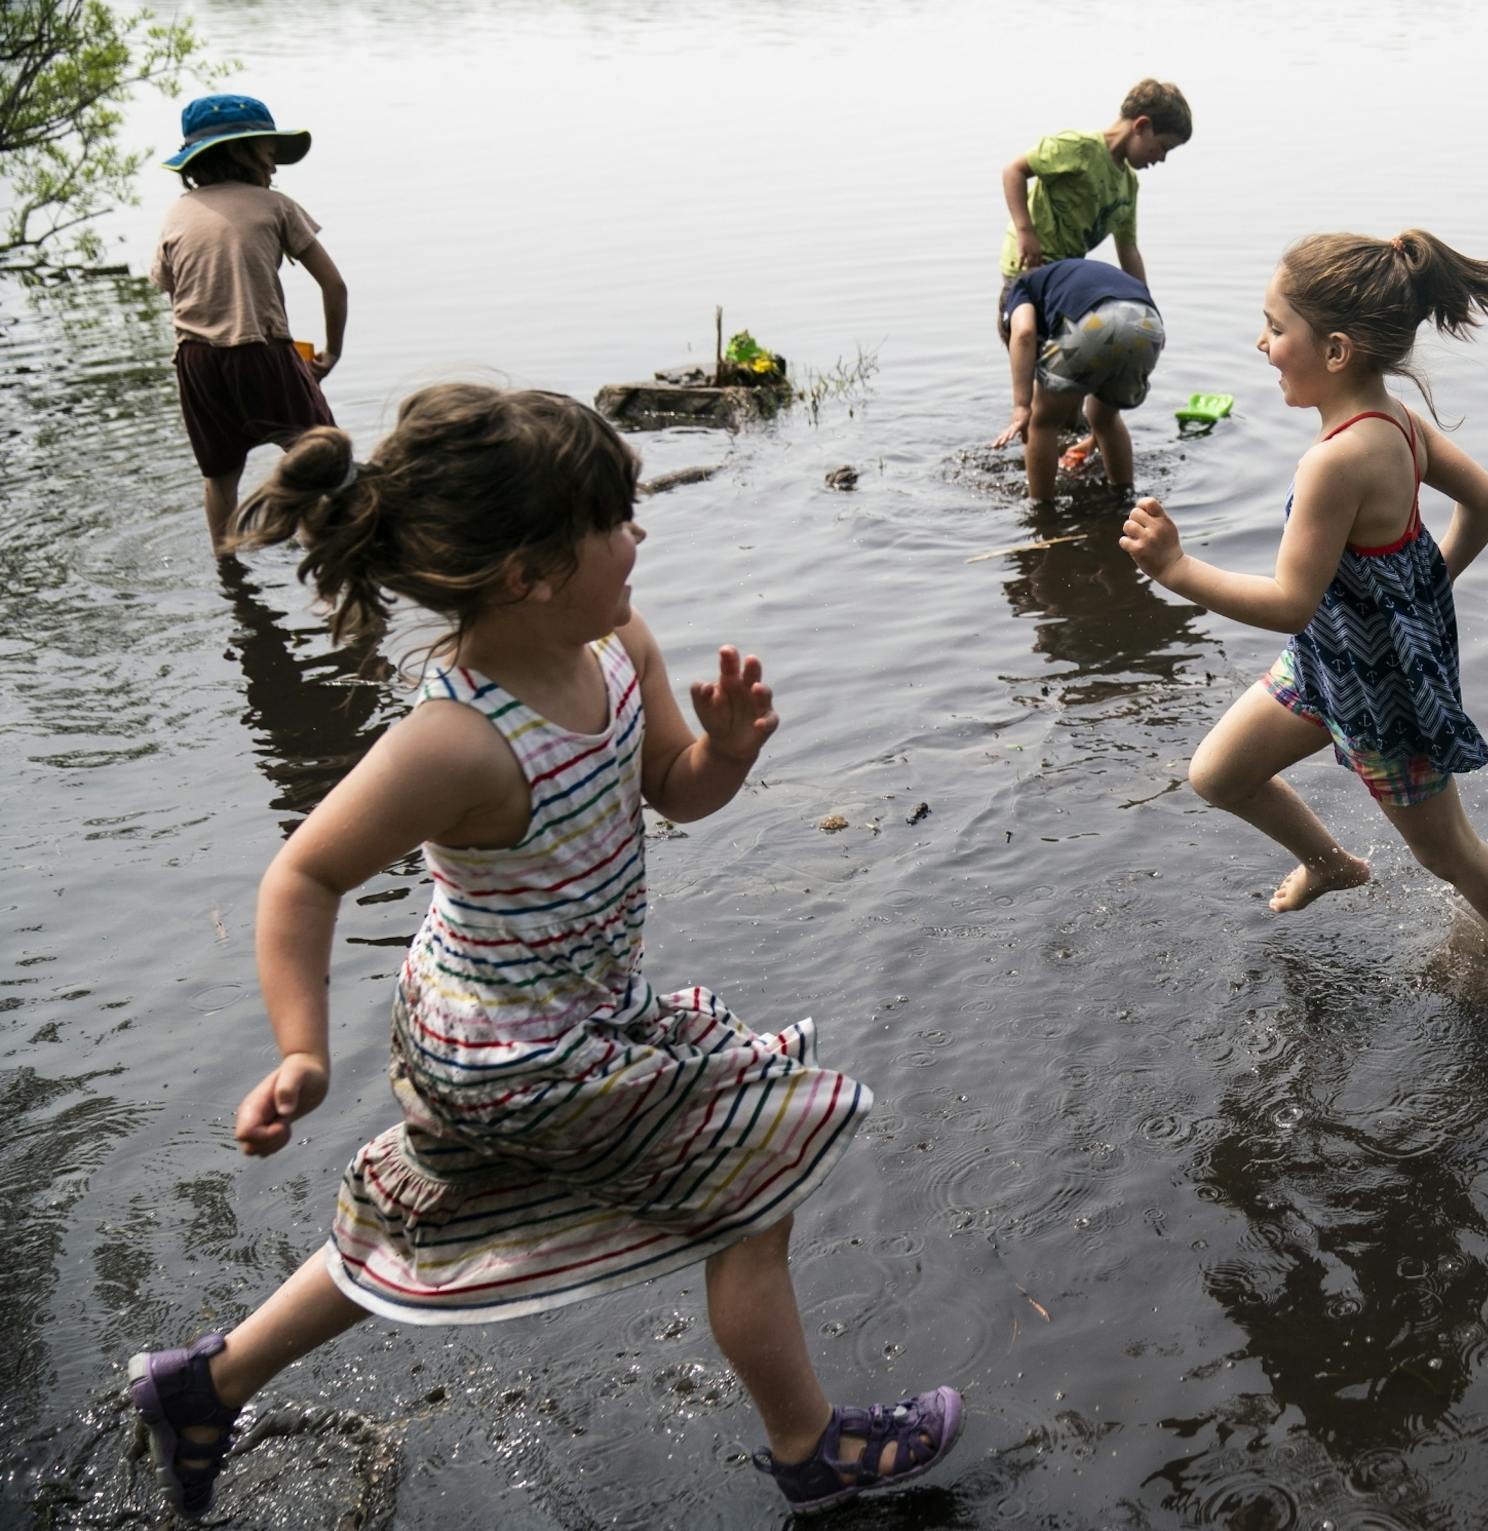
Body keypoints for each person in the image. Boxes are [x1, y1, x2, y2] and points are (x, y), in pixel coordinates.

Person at [124, 385, 963, 1520]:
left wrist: (722, 754)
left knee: (427, 1217)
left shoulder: (618, 641)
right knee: (760, 1167)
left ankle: (204, 1385)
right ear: (526, 572)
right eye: (613, 517)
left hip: (556, 1015)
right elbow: (303, 874)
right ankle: (809, 1446)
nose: (640, 532)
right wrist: (300, 1052)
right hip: (511, 1051)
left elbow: (671, 787)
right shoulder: (455, 740)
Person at [1118, 230, 1488, 979]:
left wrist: (1176, 569)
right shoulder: (1394, 420)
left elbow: (1288, 602)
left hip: (1383, 695)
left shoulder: (1335, 461)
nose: (1260, 343)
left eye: (1275, 328)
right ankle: (1331, 863)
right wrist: (1432, 584)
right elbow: (1486, 501)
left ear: (1335, 350)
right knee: (1217, 774)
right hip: (1325, 665)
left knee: (1448, 852)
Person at [149, 94, 348, 548]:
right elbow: (335, 286)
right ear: (239, 151)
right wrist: (332, 351)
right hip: (261, 350)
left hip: (195, 360)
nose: (274, 165)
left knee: (220, 476)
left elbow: (171, 289)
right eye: (267, 150)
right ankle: (330, 553)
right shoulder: (275, 205)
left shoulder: (176, 213)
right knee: (323, 457)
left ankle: (229, 570)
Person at [996, 78, 1190, 348]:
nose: (1161, 158)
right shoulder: (1078, 148)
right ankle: (1025, 391)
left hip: (1065, 276)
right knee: (1033, 343)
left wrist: (1148, 307)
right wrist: (1025, 231)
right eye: (1163, 146)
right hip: (1029, 264)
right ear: (1142, 126)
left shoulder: (1127, 185)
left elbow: (1128, 251)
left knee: (1072, 354)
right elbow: (1014, 171)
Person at [991, 258, 1166, 503]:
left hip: (1093, 324)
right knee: (1104, 417)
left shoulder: (1020, 288)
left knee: (1042, 422)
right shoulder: (1066, 279)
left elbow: (1024, 334)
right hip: (1148, 325)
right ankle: (1123, 496)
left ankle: (1042, 510)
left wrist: (1022, 406)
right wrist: (1093, 441)